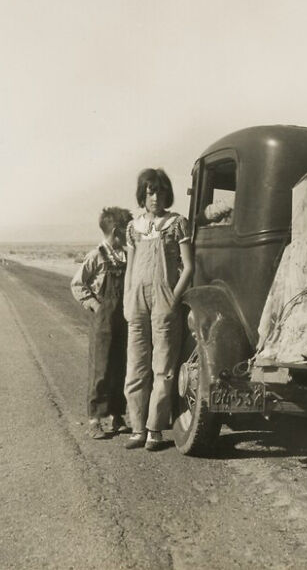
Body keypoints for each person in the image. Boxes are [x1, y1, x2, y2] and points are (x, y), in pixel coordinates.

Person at [123, 168, 194, 451]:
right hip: (137, 302)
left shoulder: (177, 223)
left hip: (164, 300)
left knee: (163, 368)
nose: (155, 197)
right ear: (143, 194)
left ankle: (155, 429)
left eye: (160, 191)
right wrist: (129, 301)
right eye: (150, 192)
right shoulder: (133, 227)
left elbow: (189, 267)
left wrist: (173, 299)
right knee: (135, 367)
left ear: (167, 194)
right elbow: (130, 269)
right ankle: (137, 428)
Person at [71, 207, 132, 440]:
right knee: (101, 368)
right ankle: (95, 419)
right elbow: (77, 284)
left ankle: (117, 415)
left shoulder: (126, 255)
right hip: (103, 321)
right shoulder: (96, 255)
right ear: (116, 232)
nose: (128, 236)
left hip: (124, 319)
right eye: (126, 231)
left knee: (121, 367)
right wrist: (96, 306)